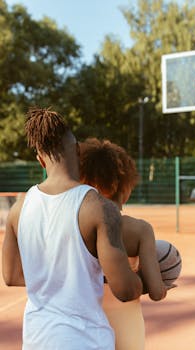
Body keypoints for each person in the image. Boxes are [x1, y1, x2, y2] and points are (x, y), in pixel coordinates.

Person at [2, 108, 143, 350]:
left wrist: (58, 279)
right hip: (85, 341)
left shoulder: (19, 208)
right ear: (78, 150)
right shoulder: (98, 207)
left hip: (35, 341)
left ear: (41, 160)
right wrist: (150, 276)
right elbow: (125, 290)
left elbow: (11, 276)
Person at [79, 138, 169, 350]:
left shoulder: (74, 227)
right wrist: (165, 281)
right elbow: (156, 292)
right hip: (126, 327)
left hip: (83, 326)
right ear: (124, 185)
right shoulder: (140, 230)